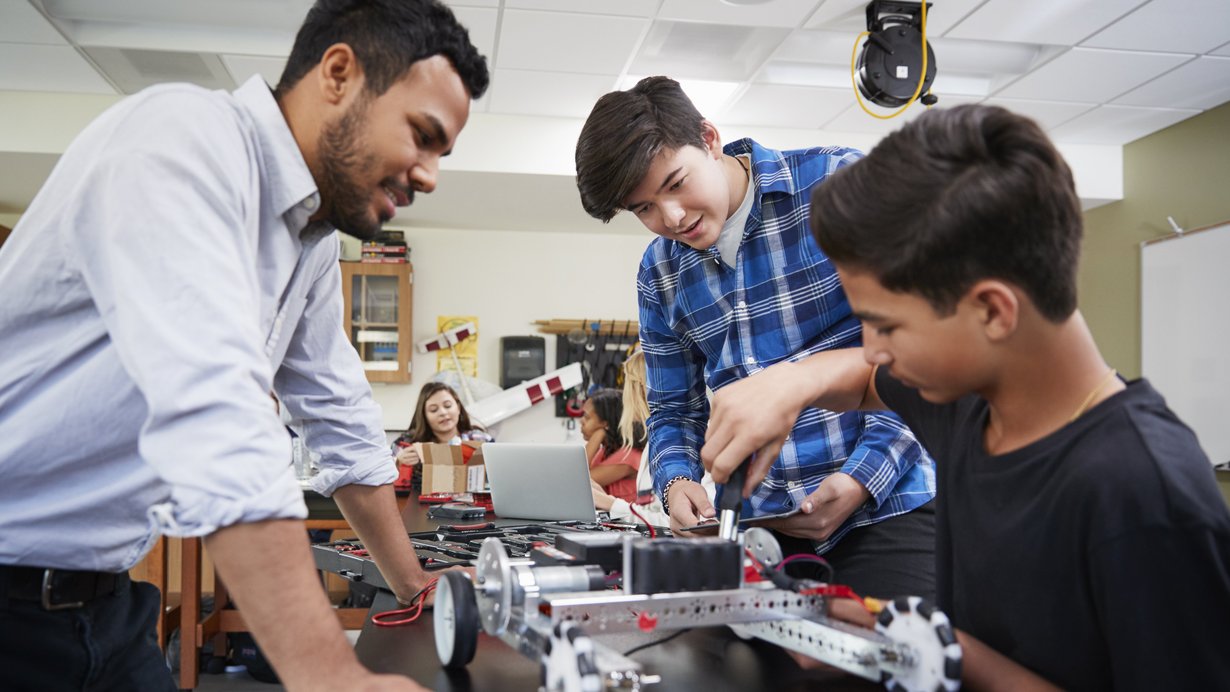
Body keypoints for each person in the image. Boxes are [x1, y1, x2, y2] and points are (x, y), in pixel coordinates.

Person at [0, 1, 488, 690]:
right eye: (423, 135)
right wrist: (330, 676)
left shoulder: (310, 243)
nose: (431, 173)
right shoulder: (181, 139)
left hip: (106, 606)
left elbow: (338, 412)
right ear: (339, 74)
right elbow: (217, 416)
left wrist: (414, 583)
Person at [700, 104, 1230, 689]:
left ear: (991, 310)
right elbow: (865, 380)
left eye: (887, 326)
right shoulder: (969, 405)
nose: (873, 349)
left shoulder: (1142, 490)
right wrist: (791, 381)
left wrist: (940, 645)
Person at [574, 76, 937, 600]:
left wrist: (862, 479)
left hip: (888, 507)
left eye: (676, 184)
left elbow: (926, 359)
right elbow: (674, 409)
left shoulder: (838, 183)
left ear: (709, 136)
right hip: (760, 529)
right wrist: (677, 483)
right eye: (643, 209)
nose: (670, 218)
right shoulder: (659, 273)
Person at [391, 381, 493, 491]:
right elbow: (381, 478)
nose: (443, 412)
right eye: (434, 410)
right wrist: (397, 462)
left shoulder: (480, 439)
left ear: (458, 407)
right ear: (424, 415)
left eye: (448, 406)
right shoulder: (406, 443)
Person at [580, 388, 644, 503]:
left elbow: (579, 481)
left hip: (626, 519)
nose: (581, 421)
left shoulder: (629, 456)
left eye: (587, 417)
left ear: (606, 423)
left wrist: (598, 435)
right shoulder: (606, 450)